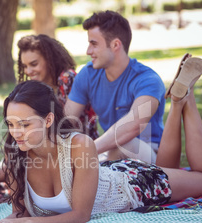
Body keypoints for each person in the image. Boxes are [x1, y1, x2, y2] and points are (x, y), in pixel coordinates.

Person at [0, 54, 202, 223]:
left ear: (48, 120)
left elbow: (80, 216)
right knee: (172, 166)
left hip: (133, 184)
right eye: (10, 123)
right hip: (108, 172)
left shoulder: (79, 145)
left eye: (25, 125)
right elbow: (19, 213)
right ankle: (178, 100)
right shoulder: (15, 153)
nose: (16, 133)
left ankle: (182, 101)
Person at [0, 34, 99, 182]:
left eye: (34, 64)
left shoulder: (67, 78)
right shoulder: (35, 88)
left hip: (75, 145)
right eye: (25, 66)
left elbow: (66, 125)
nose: (28, 71)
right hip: (40, 142)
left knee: (11, 171)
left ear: (50, 59)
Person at [65, 10, 166, 164]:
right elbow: (66, 119)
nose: (88, 51)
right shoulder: (88, 74)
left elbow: (133, 126)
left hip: (149, 154)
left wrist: (87, 150)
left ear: (115, 45)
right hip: (109, 151)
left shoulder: (147, 80)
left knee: (123, 144)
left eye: (94, 44)